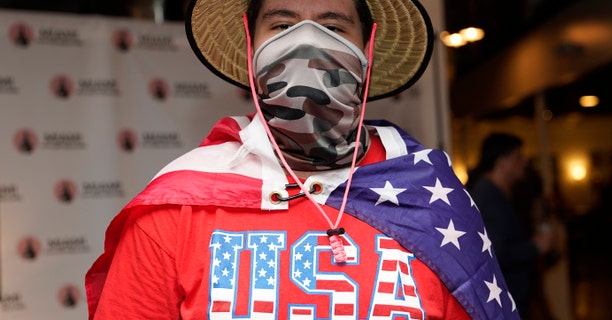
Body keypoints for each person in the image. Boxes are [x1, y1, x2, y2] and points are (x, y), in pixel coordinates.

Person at [85, 0, 519, 319]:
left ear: (366, 50)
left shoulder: (430, 198)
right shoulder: (176, 207)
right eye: (281, 25)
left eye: (333, 26)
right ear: (251, 46)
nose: (306, 44)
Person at [467, 133, 553, 319]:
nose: (524, 162)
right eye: (518, 157)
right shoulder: (489, 197)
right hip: (503, 302)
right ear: (502, 161)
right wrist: (535, 247)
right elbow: (496, 253)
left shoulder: (496, 192)